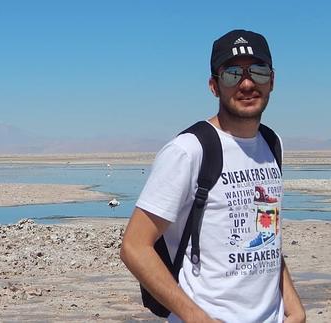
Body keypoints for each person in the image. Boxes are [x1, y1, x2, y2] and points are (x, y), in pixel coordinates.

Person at [120, 29, 306, 322]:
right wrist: (198, 319)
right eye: (232, 74)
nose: (247, 84)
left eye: (257, 71)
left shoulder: (272, 144)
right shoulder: (189, 150)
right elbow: (134, 246)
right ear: (214, 86)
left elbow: (265, 238)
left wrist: (293, 305)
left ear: (272, 80)